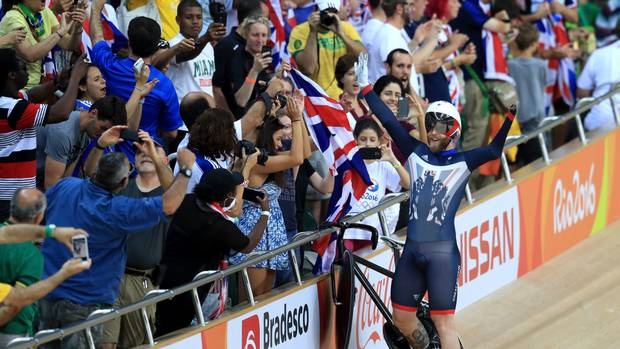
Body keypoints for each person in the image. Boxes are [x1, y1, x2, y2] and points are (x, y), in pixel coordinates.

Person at [357, 53, 514, 349]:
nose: (432, 131)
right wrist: (366, 88)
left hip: (442, 255)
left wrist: (507, 120)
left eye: (440, 127)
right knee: (401, 318)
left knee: (444, 324)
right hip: (413, 251)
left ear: (453, 132)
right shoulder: (416, 151)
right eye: (430, 125)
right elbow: (389, 120)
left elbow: (494, 151)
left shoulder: (465, 161)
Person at [38, 141, 195, 348]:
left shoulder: (66, 185)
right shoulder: (117, 208)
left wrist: (100, 144)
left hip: (47, 293)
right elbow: (170, 204)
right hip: (85, 301)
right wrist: (185, 170)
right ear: (122, 183)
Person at [155, 164, 267, 336]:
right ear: (226, 197)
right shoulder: (220, 225)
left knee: (163, 332)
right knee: (180, 336)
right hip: (192, 293)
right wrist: (265, 214)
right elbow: (248, 245)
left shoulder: (186, 201)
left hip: (166, 280)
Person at [100, 133, 173, 349]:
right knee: (105, 343)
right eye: (140, 151)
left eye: (152, 150)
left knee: (135, 345)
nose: (145, 154)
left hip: (141, 281)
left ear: (166, 160)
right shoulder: (122, 186)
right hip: (110, 276)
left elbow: (175, 191)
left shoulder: (169, 194)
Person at [0, 48, 88, 221]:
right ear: (11, 75)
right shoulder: (13, 108)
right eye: (22, 68)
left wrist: (58, 82)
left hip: (11, 193)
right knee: (16, 245)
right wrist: (76, 79)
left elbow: (32, 94)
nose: (28, 72)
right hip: (10, 198)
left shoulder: (10, 99)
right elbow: (61, 113)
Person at [229, 97, 304, 297]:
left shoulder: (267, 158)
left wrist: (300, 119)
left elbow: (302, 152)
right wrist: (296, 120)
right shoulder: (260, 162)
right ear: (267, 136)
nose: (281, 145)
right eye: (278, 139)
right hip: (257, 234)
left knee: (265, 299)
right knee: (251, 302)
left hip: (272, 232)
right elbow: (297, 157)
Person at [89, 0, 183, 157]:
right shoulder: (164, 84)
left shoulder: (109, 66)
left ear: (129, 42)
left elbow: (97, 37)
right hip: (146, 157)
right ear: (156, 47)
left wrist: (96, 9)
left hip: (106, 152)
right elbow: (171, 133)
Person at [0, 189, 82, 346]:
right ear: (39, 217)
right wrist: (63, 274)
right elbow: (18, 301)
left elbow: (8, 234)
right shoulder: (31, 256)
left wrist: (51, 232)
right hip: (13, 335)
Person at [343, 118, 410, 251]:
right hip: (348, 230)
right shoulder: (347, 161)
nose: (367, 144)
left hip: (372, 231)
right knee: (347, 268)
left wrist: (392, 159)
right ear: (355, 138)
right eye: (363, 139)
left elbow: (407, 184)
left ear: (379, 141)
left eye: (372, 140)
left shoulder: (383, 164)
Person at [36, 96, 127, 190]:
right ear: (93, 113)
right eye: (103, 128)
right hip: (27, 179)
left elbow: (87, 172)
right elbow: (51, 187)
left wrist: (101, 145)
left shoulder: (89, 129)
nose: (103, 134)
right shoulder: (64, 133)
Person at [288, 0, 366, 99]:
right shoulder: (299, 31)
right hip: (316, 99)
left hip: (343, 98)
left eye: (333, 12)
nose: (329, 16)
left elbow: (363, 56)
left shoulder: (345, 27)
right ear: (315, 10)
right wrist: (312, 32)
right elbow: (308, 69)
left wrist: (341, 33)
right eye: (325, 12)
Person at [0, 0, 85, 88]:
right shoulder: (13, 18)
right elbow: (30, 55)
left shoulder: (45, 12)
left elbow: (68, 45)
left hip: (40, 87)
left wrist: (78, 28)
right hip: (19, 91)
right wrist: (60, 33)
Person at [156, 0, 226, 102]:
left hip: (206, 111)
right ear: (178, 20)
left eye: (199, 17)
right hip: (182, 112)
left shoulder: (208, 46)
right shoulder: (172, 45)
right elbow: (188, 54)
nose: (195, 21)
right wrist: (205, 38)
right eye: (189, 17)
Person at [366, 0, 439, 85]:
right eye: (410, 5)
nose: (414, 9)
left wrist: (416, 41)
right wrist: (432, 41)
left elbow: (399, 57)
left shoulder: (392, 33)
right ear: (400, 9)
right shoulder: (389, 36)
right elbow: (398, 74)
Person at [212, 0, 266, 115]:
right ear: (250, 21)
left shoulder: (252, 46)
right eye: (262, 19)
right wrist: (230, 121)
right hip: (231, 119)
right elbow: (216, 88)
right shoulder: (227, 46)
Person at [508, 23, 548, 164]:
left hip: (515, 122)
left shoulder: (509, 66)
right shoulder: (541, 65)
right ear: (533, 44)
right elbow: (543, 87)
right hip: (536, 122)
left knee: (514, 165)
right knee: (538, 163)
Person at [577, 19, 620, 132]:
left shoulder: (599, 53)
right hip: (601, 125)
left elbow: (582, 92)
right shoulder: (599, 53)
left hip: (598, 123)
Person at [230, 16, 274, 115]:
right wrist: (255, 70)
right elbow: (241, 101)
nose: (260, 40)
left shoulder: (266, 58)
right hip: (242, 117)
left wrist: (278, 76)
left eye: (264, 35)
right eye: (255, 35)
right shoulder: (236, 58)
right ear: (246, 35)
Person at [336, 54, 370, 120]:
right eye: (351, 74)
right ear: (341, 78)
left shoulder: (368, 105)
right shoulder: (335, 107)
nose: (357, 78)